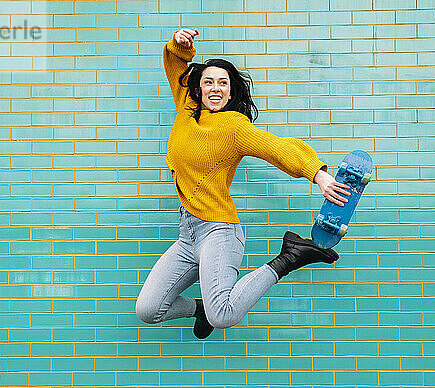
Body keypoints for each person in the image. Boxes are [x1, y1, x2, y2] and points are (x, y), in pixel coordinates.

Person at [135, 28, 350, 339]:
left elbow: (278, 147)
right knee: (149, 310)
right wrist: (179, 46)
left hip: (219, 232)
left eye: (223, 83)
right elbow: (174, 66)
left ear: (231, 92)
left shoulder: (235, 126)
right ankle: (200, 308)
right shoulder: (185, 109)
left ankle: (289, 257)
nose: (215, 88)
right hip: (188, 233)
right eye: (208, 81)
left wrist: (317, 174)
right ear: (198, 88)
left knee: (222, 315)